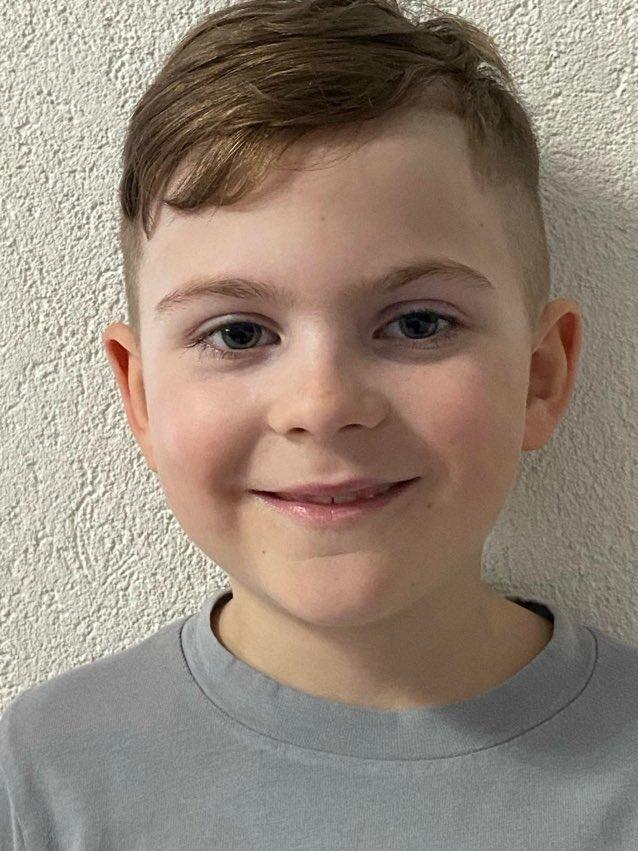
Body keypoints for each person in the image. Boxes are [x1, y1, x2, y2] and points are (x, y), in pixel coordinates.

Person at [3, 1, 637, 848]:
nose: (323, 404)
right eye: (238, 334)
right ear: (141, 396)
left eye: (417, 323)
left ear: (541, 375)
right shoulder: (38, 780)